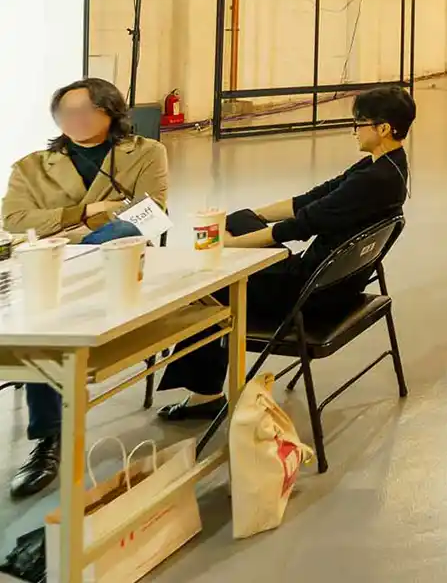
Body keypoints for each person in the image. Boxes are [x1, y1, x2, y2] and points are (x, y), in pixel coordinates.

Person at [156, 85, 414, 420]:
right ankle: (201, 381)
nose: (353, 130)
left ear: (383, 129)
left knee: (212, 288)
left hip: (308, 291)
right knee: (238, 220)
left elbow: (301, 225)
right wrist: (254, 216)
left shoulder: (374, 181)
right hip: (329, 279)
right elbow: (314, 199)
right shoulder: (384, 167)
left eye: (358, 123)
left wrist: (227, 245)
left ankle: (205, 395)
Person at [3, 78, 169, 498]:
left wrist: (66, 231)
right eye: (65, 114)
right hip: (50, 277)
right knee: (44, 329)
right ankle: (49, 440)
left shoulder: (147, 153)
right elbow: (14, 220)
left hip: (118, 271)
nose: (72, 121)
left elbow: (150, 215)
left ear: (110, 111)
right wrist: (88, 211)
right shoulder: (31, 165)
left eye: (83, 111)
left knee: (122, 229)